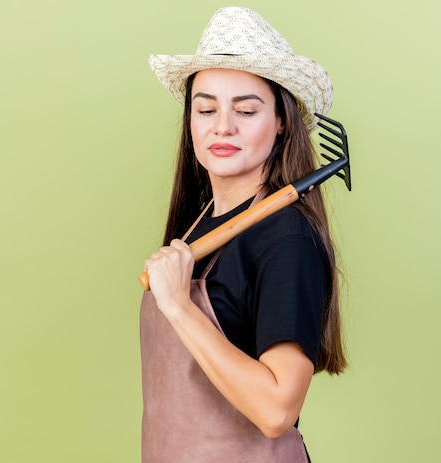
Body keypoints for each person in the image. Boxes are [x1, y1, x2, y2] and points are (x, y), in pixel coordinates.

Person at [140, 7, 347, 463]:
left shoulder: (287, 240)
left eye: (247, 109)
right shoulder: (200, 223)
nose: (222, 126)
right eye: (206, 107)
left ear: (282, 122)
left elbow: (277, 409)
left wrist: (178, 306)